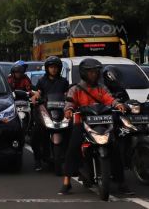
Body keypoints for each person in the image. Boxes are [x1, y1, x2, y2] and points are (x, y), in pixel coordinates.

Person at [59, 58, 129, 195]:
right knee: (72, 148)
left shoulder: (101, 88)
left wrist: (117, 104)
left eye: (96, 72)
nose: (94, 74)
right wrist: (68, 110)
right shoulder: (75, 89)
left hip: (103, 122)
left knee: (114, 148)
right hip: (82, 123)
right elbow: (69, 103)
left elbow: (110, 98)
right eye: (91, 72)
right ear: (84, 73)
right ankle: (66, 182)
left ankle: (121, 182)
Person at [30, 56, 69, 171]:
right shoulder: (42, 81)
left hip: (60, 112)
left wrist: (70, 99)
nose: (54, 69)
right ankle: (38, 160)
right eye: (51, 67)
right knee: (36, 134)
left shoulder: (63, 81)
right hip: (45, 112)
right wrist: (35, 97)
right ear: (47, 68)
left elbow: (67, 94)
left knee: (71, 131)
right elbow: (37, 93)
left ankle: (71, 159)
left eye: (56, 67)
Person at [102, 65, 133, 195]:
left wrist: (128, 106)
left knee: (125, 140)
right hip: (103, 124)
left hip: (119, 123)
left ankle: (122, 174)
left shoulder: (121, 90)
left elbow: (127, 103)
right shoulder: (101, 89)